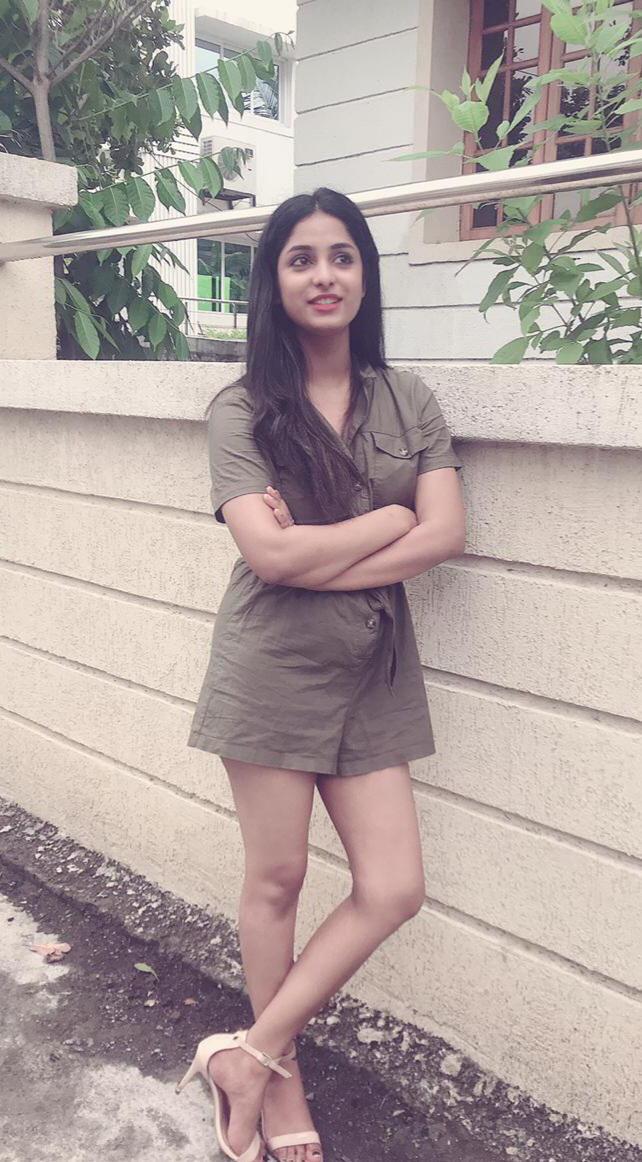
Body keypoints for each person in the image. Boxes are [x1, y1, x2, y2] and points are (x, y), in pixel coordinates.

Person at [177, 187, 466, 1162]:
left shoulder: (407, 399)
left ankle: (247, 1054)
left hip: (375, 668)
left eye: (342, 256)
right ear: (274, 279)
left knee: (393, 887)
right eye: (301, 259)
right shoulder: (241, 409)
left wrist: (322, 551)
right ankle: (281, 1081)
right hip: (271, 665)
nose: (324, 275)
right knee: (279, 878)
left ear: (365, 275)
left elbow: (446, 534)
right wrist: (389, 520)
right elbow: (268, 557)